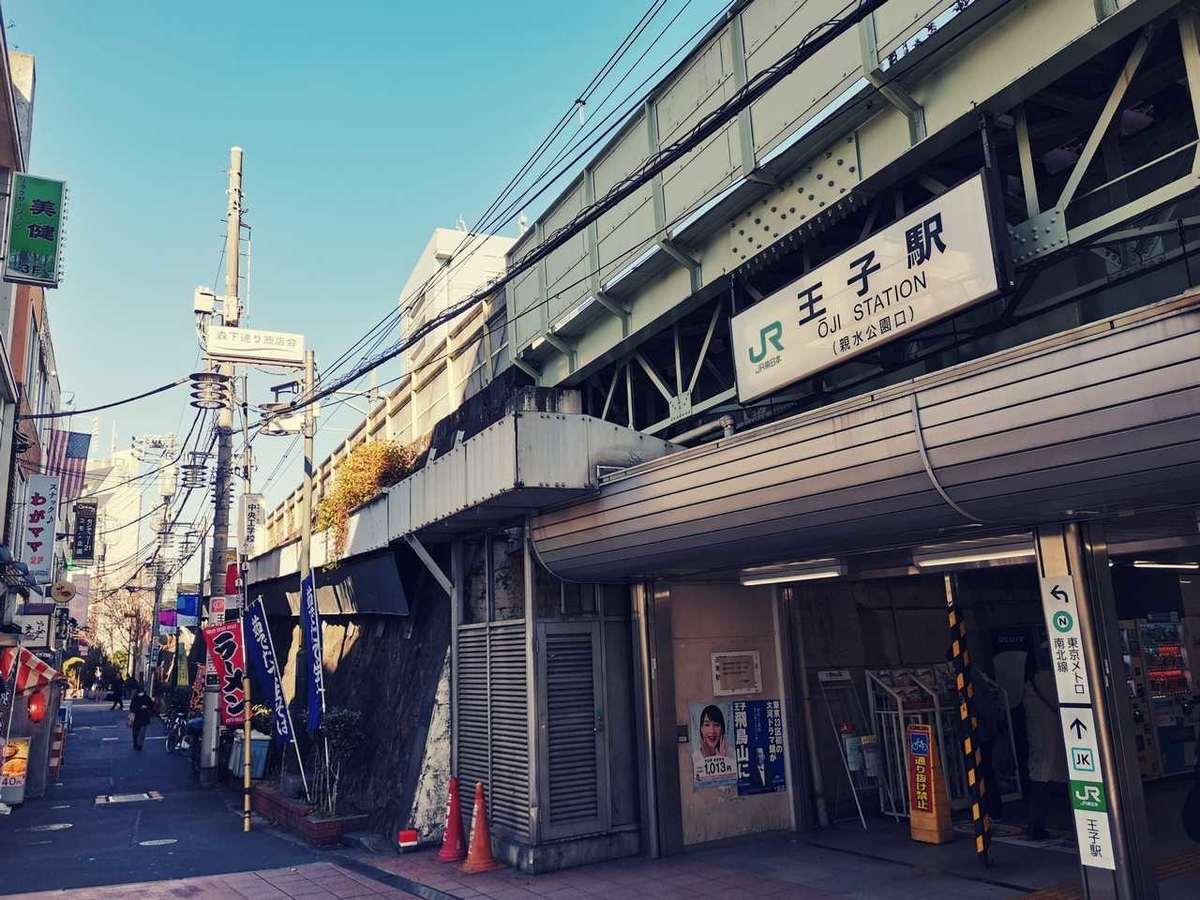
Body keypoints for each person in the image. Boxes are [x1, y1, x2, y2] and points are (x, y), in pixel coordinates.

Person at [1023, 649, 1066, 840]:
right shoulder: (1046, 681)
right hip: (1052, 742)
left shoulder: (1028, 686)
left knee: (1041, 780)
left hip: (1039, 746)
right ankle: (1036, 825)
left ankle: (1035, 824)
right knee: (1046, 781)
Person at [691, 704, 736, 785]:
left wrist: (723, 760)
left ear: (722, 729)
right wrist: (706, 761)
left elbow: (732, 785)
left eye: (716, 725)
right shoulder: (694, 758)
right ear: (701, 729)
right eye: (707, 725)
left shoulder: (732, 754)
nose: (712, 731)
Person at [128, 683, 155, 750]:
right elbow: (152, 705)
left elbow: (132, 707)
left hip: (136, 716)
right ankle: (139, 744)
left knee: (135, 731)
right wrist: (146, 708)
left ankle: (135, 743)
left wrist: (135, 710)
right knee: (142, 732)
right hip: (144, 716)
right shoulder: (146, 697)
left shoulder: (135, 698)